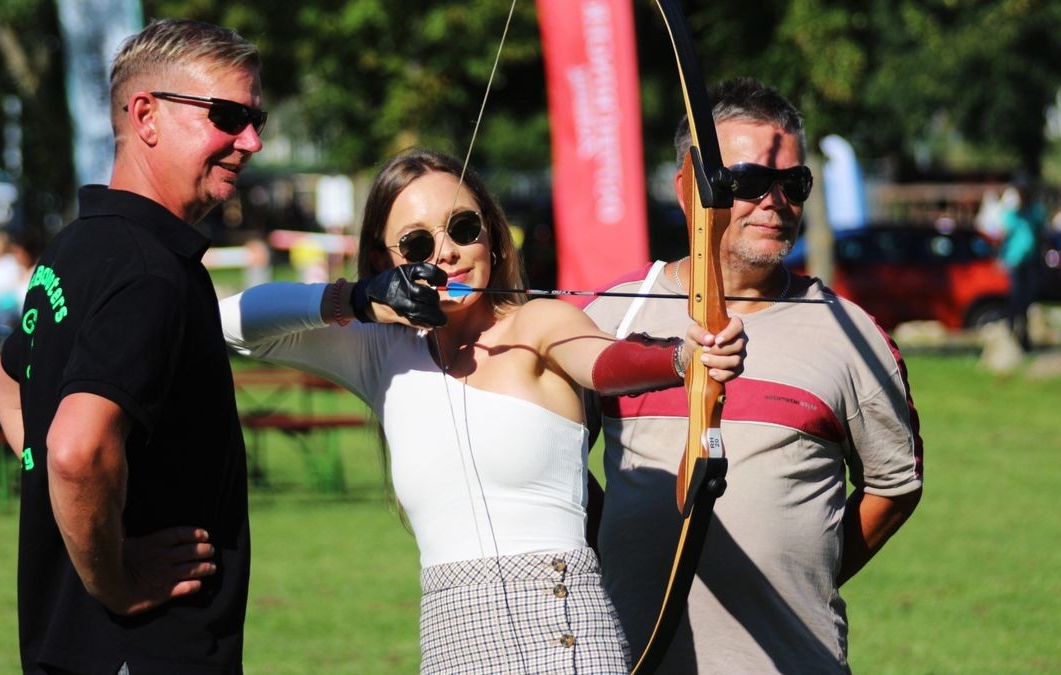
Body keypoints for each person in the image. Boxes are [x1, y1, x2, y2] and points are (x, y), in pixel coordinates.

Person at [219, 148, 746, 674]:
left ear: (492, 237)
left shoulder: (538, 323)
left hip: (564, 635)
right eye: (417, 243)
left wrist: (683, 357)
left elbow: (601, 361)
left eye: (463, 228)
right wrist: (359, 300)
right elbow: (228, 322)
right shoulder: (380, 352)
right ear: (385, 261)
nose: (446, 253)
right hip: (451, 643)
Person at [582, 78, 924, 673]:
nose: (775, 201)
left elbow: (894, 485)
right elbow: (547, 462)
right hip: (637, 654)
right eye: (746, 182)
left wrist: (809, 568)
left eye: (793, 184)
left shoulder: (854, 336)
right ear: (690, 190)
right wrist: (611, 543)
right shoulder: (612, 314)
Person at [0, 18, 264, 674]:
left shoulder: (78, 246)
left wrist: (79, 507)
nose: (249, 141)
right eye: (227, 116)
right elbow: (76, 449)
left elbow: (4, 383)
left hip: (70, 648)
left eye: (256, 119)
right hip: (145, 649)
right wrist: (115, 578)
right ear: (146, 115)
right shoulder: (149, 271)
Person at [998, 180, 1047, 351]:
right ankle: (1010, 330)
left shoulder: (1036, 213)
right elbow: (1004, 238)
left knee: (1028, 300)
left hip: (1032, 261)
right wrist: (1002, 258)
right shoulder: (1011, 215)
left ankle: (1024, 337)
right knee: (1016, 297)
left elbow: (1041, 235)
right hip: (1015, 261)